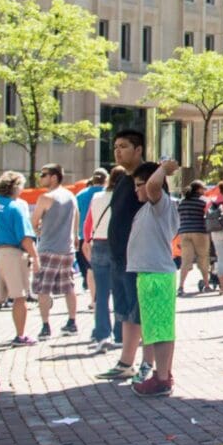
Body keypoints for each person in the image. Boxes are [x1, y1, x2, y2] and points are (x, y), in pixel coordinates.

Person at [128, 159, 181, 395]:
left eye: (139, 184)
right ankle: (162, 374)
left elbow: (152, 188)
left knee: (159, 329)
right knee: (156, 328)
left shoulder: (161, 204)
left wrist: (163, 170)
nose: (137, 189)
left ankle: (161, 378)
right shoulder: (148, 209)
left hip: (157, 275)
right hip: (150, 275)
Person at [101, 130, 148, 383]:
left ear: (138, 149)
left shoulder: (146, 179)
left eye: (124, 146)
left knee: (139, 312)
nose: (118, 151)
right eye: (116, 146)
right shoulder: (121, 181)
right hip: (118, 257)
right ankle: (125, 362)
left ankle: (147, 364)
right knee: (125, 312)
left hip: (137, 259)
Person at [32, 165, 80, 338]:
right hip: (67, 249)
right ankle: (72, 322)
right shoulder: (70, 196)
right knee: (69, 287)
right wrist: (75, 236)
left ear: (53, 177)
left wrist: (38, 232)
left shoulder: (45, 197)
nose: (40, 177)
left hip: (47, 248)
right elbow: (77, 216)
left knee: (43, 289)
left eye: (43, 174)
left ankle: (45, 326)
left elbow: (34, 221)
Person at [0, 172, 38, 346]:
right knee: (19, 297)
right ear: (16, 187)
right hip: (12, 253)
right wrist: (35, 257)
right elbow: (25, 237)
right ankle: (20, 335)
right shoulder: (16, 206)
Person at [86, 168, 122, 344]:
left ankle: (101, 332)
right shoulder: (123, 197)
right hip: (117, 244)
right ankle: (120, 332)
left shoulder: (97, 197)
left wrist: (87, 241)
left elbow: (89, 223)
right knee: (119, 291)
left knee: (101, 294)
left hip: (99, 243)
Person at [177, 182, 212, 294]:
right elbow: (209, 215)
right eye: (204, 188)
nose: (205, 190)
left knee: (186, 261)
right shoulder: (204, 201)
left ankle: (181, 287)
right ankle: (206, 285)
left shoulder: (182, 202)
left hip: (184, 232)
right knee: (203, 258)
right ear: (199, 189)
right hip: (200, 231)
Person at [75, 170, 106, 299]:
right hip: (102, 235)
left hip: (84, 236)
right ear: (105, 179)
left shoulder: (80, 195)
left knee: (89, 268)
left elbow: (76, 216)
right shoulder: (106, 194)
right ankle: (102, 295)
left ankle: (93, 298)